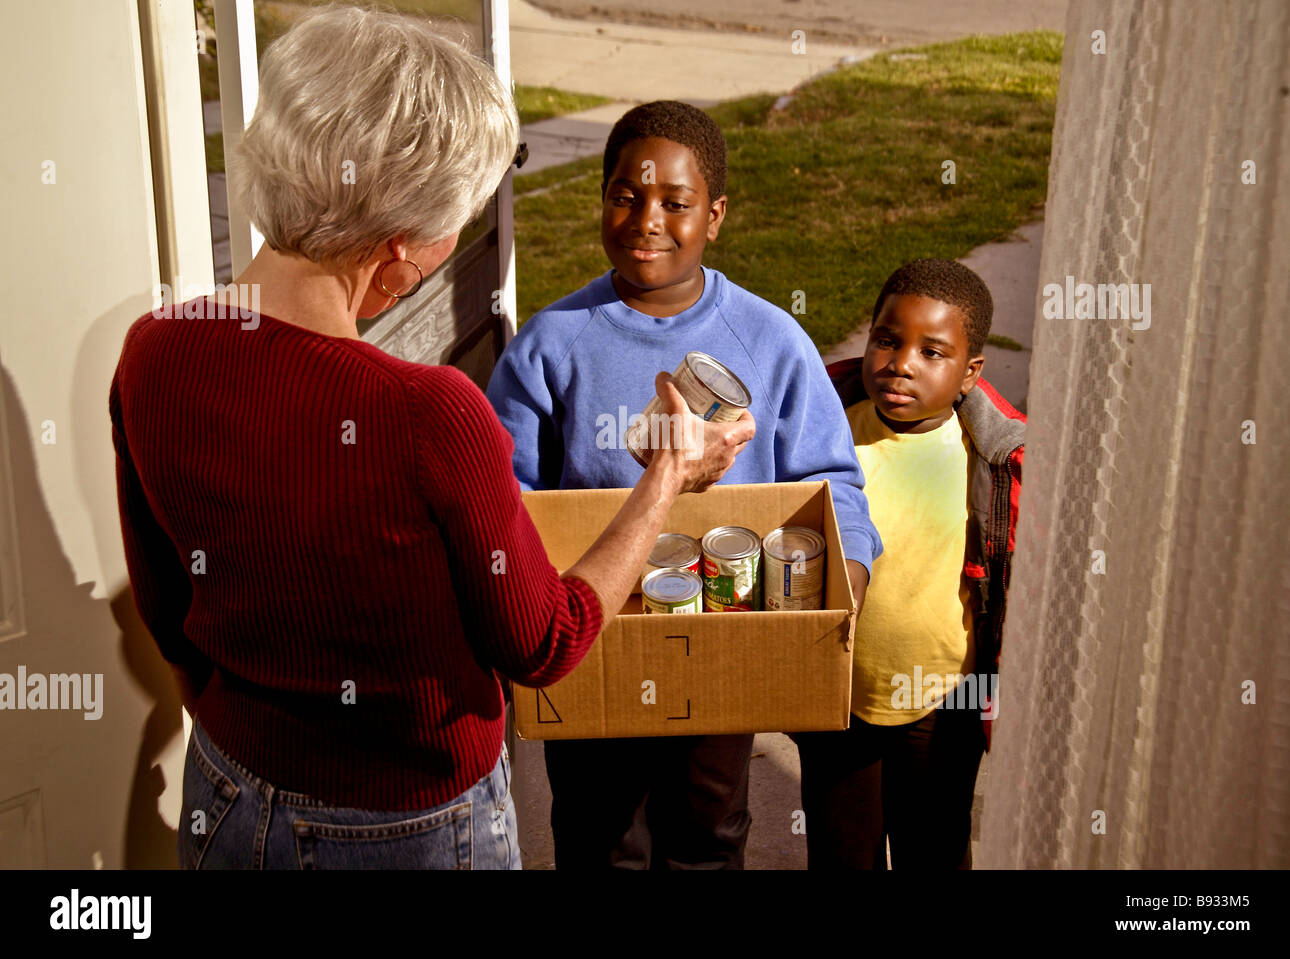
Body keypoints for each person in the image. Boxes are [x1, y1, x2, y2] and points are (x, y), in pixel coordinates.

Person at [109, 7, 753, 871]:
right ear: (401, 249)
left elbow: (167, 616)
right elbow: (546, 642)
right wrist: (666, 477)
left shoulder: (154, 350)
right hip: (408, 827)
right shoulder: (430, 411)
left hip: (225, 790)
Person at [487, 100, 882, 869]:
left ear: (717, 214)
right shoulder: (551, 345)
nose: (647, 220)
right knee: (604, 839)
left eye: (676, 202)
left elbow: (834, 482)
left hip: (721, 640)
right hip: (593, 638)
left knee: (708, 830)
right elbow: (506, 497)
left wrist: (848, 579)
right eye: (626, 197)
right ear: (601, 199)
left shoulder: (769, 340)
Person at [796, 258, 1026, 869]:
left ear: (970, 373)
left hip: (944, 703)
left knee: (936, 850)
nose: (901, 364)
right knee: (843, 855)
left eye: (932, 352)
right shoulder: (825, 434)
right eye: (887, 341)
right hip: (840, 699)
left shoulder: (994, 461)